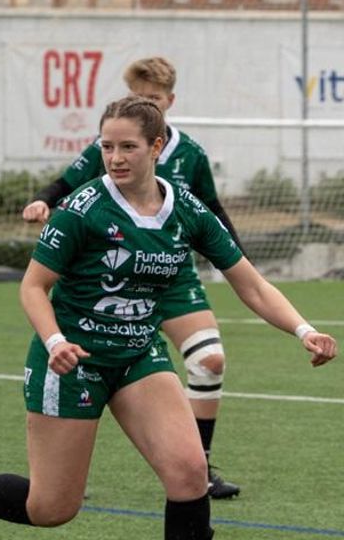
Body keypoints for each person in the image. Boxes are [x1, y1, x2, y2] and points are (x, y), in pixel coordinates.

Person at [0, 96, 336, 540]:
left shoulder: (186, 209)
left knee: (189, 473)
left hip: (138, 355)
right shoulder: (83, 208)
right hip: (74, 360)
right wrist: (56, 340)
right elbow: (34, 287)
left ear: (157, 146)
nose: (114, 157)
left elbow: (250, 284)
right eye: (106, 146)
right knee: (52, 507)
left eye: (128, 147)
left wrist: (304, 330)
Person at [22, 57, 244, 499]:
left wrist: (238, 260)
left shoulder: (191, 154)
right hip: (115, 277)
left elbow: (212, 208)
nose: (116, 155)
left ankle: (199, 465)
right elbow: (68, 184)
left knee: (210, 359)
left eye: (154, 99)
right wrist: (44, 200)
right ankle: (63, 470)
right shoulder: (106, 159)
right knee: (53, 503)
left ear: (168, 105)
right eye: (138, 97)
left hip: (172, 274)